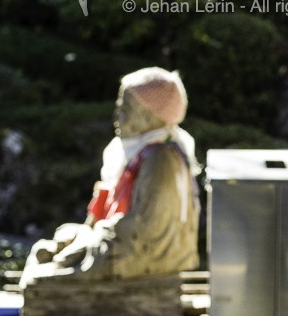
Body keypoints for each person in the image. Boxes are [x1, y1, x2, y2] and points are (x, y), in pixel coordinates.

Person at [20, 67, 200, 285]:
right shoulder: (136, 153)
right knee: (49, 248)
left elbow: (148, 230)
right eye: (119, 108)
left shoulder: (160, 159)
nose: (118, 117)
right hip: (121, 239)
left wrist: (94, 239)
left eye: (126, 109)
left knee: (43, 276)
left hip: (144, 254)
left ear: (148, 116)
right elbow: (106, 204)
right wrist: (88, 231)